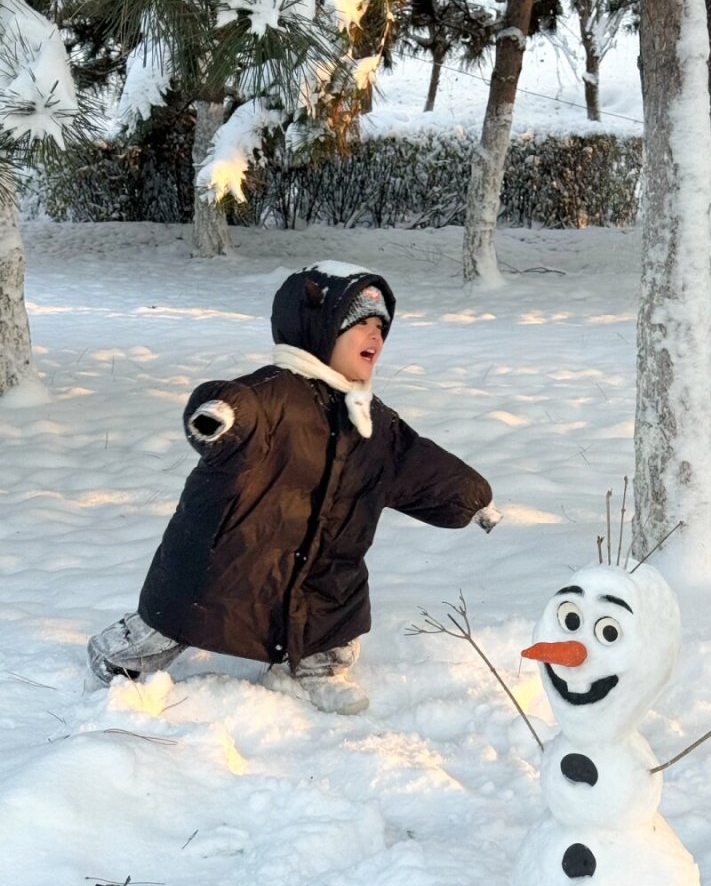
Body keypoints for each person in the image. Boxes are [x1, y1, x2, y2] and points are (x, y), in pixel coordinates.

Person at [87, 261, 499, 715]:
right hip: (237, 552)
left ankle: (315, 670)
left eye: (381, 327)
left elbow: (417, 463)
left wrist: (470, 496)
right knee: (181, 614)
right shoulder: (271, 394)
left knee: (334, 624)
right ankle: (117, 655)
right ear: (318, 329)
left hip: (327, 563)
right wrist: (217, 418)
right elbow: (231, 403)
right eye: (360, 324)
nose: (375, 337)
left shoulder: (373, 421)